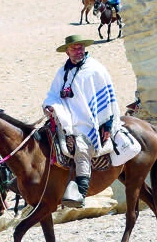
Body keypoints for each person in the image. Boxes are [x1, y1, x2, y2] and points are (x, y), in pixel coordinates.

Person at [44, 32, 121, 207]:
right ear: (67, 52)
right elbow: (53, 94)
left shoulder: (95, 69)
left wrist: (107, 124)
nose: (78, 51)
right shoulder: (62, 72)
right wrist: (50, 105)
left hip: (89, 122)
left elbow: (107, 98)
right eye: (74, 48)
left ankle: (81, 192)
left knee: (81, 147)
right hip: (66, 119)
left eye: (81, 48)